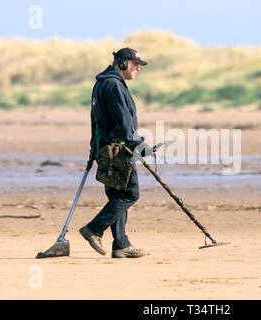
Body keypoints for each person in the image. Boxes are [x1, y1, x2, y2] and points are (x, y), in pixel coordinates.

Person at [79, 47, 152, 258]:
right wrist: (137, 145)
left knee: (118, 195)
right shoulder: (113, 85)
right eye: (134, 64)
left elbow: (96, 119)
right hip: (118, 149)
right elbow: (124, 120)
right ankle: (94, 229)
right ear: (121, 63)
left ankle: (121, 244)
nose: (138, 68)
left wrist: (94, 147)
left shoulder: (102, 82)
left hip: (105, 146)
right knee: (130, 193)